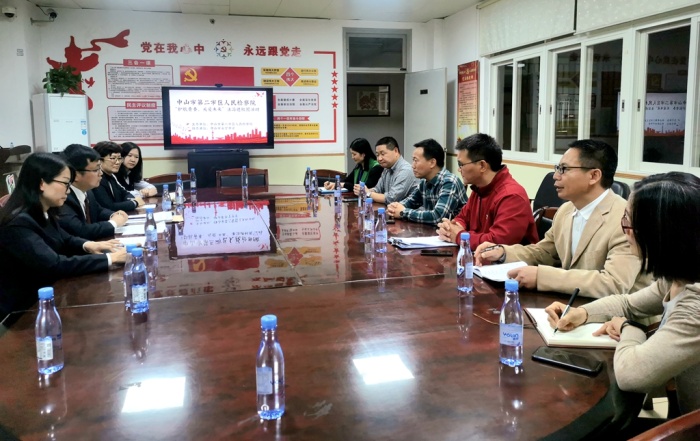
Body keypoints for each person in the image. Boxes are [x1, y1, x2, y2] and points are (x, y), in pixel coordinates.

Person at [545, 172, 700, 417]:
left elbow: (632, 376)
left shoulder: (695, 303)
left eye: (629, 221)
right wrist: (582, 313)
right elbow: (628, 303)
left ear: (661, 233)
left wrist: (629, 327)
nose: (624, 229)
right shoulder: (678, 276)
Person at [475, 139, 651, 298]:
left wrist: (541, 277)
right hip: (574, 305)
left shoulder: (626, 220)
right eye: (557, 168)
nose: (555, 176)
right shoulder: (566, 210)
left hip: (620, 317)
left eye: (564, 169)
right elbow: (544, 252)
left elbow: (613, 283)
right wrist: (503, 252)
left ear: (594, 176)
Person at [0, 152, 126, 317]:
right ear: (42, 183)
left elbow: (64, 238)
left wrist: (89, 245)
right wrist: (110, 259)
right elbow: (54, 265)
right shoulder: (18, 223)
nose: (68, 190)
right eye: (65, 183)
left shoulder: (43, 211)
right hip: (23, 312)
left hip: (48, 298)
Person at [436, 133, 539, 249]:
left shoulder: (512, 196)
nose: (458, 169)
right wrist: (450, 228)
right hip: (478, 256)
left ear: (482, 165)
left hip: (507, 260)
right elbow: (463, 218)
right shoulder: (479, 188)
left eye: (461, 164)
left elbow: (498, 243)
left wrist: (460, 236)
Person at [386, 138, 467, 225]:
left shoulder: (449, 182)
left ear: (432, 163)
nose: (412, 166)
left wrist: (403, 212)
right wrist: (394, 208)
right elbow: (409, 202)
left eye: (416, 160)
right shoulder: (424, 182)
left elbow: (438, 217)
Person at [59, 144, 128, 240]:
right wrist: (113, 223)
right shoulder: (63, 197)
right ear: (75, 175)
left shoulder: (88, 191)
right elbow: (81, 231)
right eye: (96, 169)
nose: (101, 173)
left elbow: (98, 211)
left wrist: (113, 215)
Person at [364, 136, 418, 204]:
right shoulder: (386, 168)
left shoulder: (406, 170)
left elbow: (392, 198)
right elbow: (378, 189)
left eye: (383, 154)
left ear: (395, 151)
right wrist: (365, 190)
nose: (379, 158)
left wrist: (368, 193)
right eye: (377, 155)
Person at [92, 141, 144, 211]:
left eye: (119, 158)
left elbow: (125, 194)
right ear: (100, 160)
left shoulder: (112, 176)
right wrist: (135, 203)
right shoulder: (97, 179)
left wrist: (132, 201)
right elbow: (109, 207)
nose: (118, 162)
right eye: (113, 158)